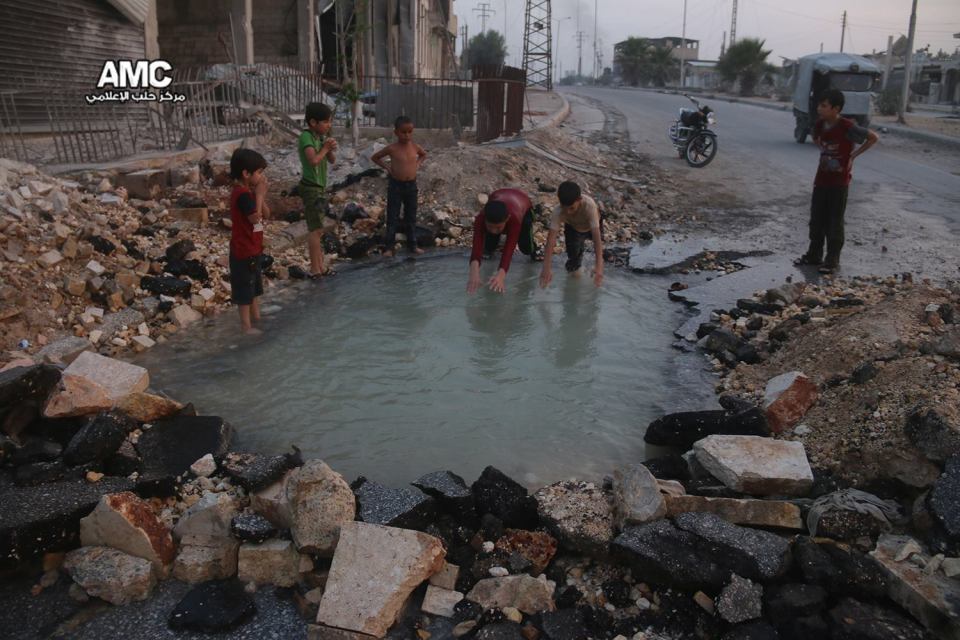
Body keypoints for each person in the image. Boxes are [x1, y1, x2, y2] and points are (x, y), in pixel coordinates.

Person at [795, 88, 879, 274]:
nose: (819, 108)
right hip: (821, 181)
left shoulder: (847, 126)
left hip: (839, 183)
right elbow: (817, 140)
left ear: (836, 108)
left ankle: (832, 260)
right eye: (819, 105)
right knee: (816, 220)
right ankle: (814, 255)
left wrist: (852, 156)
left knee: (834, 221)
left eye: (824, 106)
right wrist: (826, 155)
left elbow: (873, 138)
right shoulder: (819, 124)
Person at [228, 148, 272, 335]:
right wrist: (260, 195)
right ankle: (246, 326)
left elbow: (266, 214)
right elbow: (256, 218)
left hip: (253, 248)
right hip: (243, 250)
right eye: (259, 172)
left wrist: (260, 195)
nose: (261, 176)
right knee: (244, 291)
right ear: (246, 174)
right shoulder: (242, 195)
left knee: (254, 286)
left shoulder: (249, 193)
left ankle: (257, 318)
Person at [371, 115, 428, 256]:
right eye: (403, 132)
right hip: (396, 185)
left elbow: (423, 155)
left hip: (411, 186)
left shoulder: (415, 147)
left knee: (411, 216)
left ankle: (412, 245)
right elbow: (375, 157)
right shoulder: (392, 148)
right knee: (392, 216)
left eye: (410, 132)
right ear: (396, 132)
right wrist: (387, 167)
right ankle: (389, 247)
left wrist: (417, 165)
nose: (407, 135)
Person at [467, 188, 541, 294]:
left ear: (507, 219)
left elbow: (509, 249)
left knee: (526, 248)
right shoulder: (480, 218)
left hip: (523, 206)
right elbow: (476, 244)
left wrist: (500, 276)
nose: (493, 231)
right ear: (485, 220)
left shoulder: (515, 219)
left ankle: (535, 249)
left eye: (498, 228)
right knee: (488, 247)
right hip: (498, 198)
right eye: (490, 226)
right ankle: (491, 243)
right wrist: (473, 273)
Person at [298, 102, 338, 277]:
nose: (329, 125)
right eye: (326, 122)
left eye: (330, 122)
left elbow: (332, 161)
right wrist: (325, 148)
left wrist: (329, 149)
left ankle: (320, 266)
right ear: (313, 122)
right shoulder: (306, 137)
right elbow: (313, 160)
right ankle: (315, 269)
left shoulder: (320, 138)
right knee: (314, 230)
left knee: (319, 228)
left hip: (320, 188)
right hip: (311, 188)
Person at [539, 181, 604, 288]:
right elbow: (550, 240)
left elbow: (597, 239)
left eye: (572, 208)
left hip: (592, 226)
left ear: (579, 200)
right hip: (573, 228)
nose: (568, 212)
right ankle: (573, 288)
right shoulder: (558, 212)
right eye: (565, 208)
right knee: (573, 264)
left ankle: (598, 269)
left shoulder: (589, 206)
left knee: (599, 252)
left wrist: (599, 267)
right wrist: (546, 268)